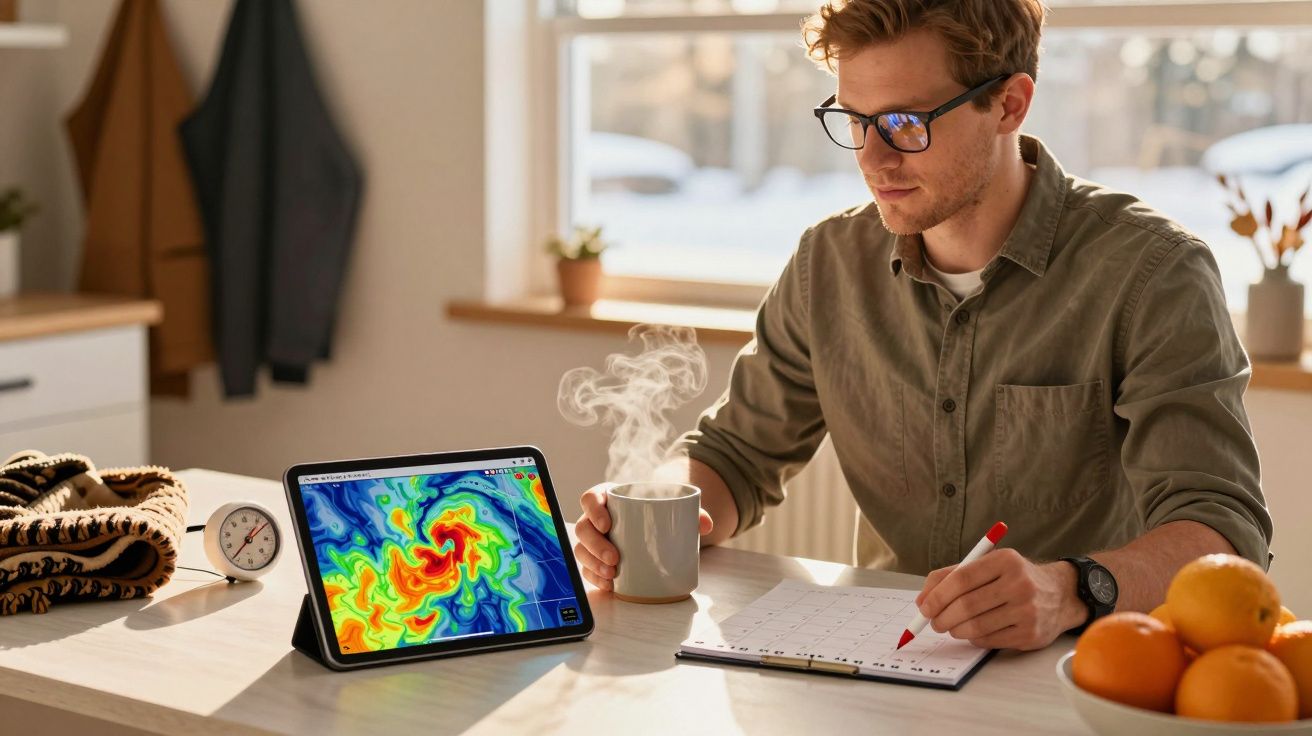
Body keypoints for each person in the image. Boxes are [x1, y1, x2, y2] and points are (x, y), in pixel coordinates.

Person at [572, 0, 1272, 652]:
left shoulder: (1151, 272)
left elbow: (1224, 531)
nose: (873, 161)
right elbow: (733, 456)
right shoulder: (830, 265)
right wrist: (657, 506)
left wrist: (1069, 589)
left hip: (1077, 673)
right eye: (855, 121)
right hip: (883, 666)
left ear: (1009, 103)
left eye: (907, 124)